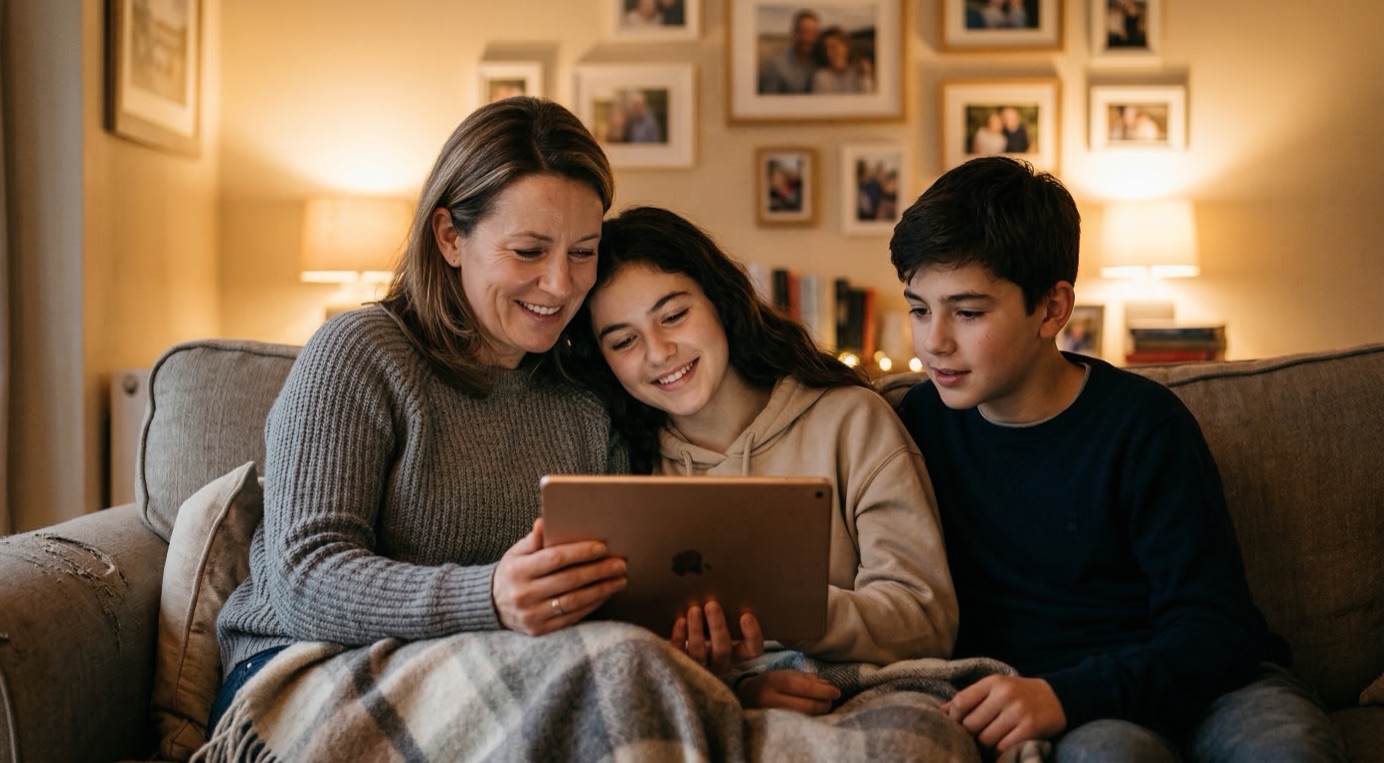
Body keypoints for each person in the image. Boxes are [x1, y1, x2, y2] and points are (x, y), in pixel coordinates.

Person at [887, 155, 1347, 761]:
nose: (933, 341)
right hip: (1078, 712)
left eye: (968, 312)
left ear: (1052, 309)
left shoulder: (1143, 424)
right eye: (920, 308)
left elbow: (1218, 630)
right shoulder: (912, 428)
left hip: (1215, 687)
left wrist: (1063, 694)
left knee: (1289, 749)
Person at [204, 96, 636, 737]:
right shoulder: (360, 354)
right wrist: (488, 597)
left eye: (583, 252)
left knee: (633, 674)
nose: (560, 284)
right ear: (450, 237)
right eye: (528, 251)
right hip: (307, 664)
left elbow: (615, 580)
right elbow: (304, 575)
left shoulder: (586, 392)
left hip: (510, 663)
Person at [563, 205, 960, 715]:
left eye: (674, 315)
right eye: (624, 341)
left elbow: (926, 620)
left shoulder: (851, 421)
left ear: (720, 302)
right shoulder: (622, 465)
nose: (659, 352)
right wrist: (734, 690)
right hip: (713, 708)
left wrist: (779, 607)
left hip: (861, 694)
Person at [758, 9, 820, 94]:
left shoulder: (822, 60)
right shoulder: (776, 65)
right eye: (804, 32)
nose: (809, 38)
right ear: (794, 33)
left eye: (813, 32)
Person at [810, 25, 873, 94]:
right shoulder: (820, 77)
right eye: (826, 48)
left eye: (834, 47)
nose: (829, 53)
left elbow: (868, 97)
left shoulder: (860, 70)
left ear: (845, 47)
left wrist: (865, 78)